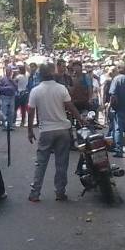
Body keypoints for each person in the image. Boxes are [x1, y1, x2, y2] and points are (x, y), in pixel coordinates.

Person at [27, 62, 79, 202]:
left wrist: (30, 130)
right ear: (52, 74)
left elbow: (30, 111)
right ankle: (60, 192)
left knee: (41, 162)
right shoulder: (61, 89)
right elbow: (71, 107)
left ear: (40, 75)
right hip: (63, 129)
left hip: (46, 131)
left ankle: (35, 193)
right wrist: (81, 120)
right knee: (62, 163)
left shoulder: (36, 91)